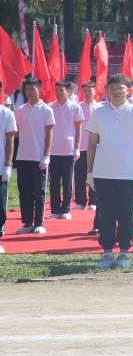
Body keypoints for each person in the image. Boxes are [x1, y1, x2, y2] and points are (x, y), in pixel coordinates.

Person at [86, 74, 133, 269]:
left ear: (129, 91)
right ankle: (107, 253)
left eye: (119, 87)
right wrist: (89, 172)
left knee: (126, 214)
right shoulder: (98, 112)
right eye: (112, 87)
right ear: (107, 90)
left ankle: (124, 253)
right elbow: (91, 144)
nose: (115, 91)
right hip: (103, 172)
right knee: (105, 213)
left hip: (128, 172)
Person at [13, 77, 55, 235]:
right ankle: (27, 222)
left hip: (39, 157)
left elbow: (49, 133)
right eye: (27, 90)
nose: (29, 92)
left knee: (39, 191)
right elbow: (16, 132)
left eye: (33, 89)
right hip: (22, 156)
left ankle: (39, 222)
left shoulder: (46, 110)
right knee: (24, 191)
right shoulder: (20, 110)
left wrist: (46, 155)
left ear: (39, 90)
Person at [48, 80, 83, 220]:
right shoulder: (50, 107)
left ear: (69, 91)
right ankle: (55, 210)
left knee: (67, 182)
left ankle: (66, 209)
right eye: (56, 90)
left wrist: (77, 147)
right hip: (53, 150)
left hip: (68, 149)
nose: (58, 93)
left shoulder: (75, 107)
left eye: (61, 90)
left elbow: (79, 129)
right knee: (54, 182)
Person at [74, 83, 101, 212]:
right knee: (80, 176)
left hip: (96, 147)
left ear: (95, 92)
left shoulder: (100, 108)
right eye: (85, 91)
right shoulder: (78, 107)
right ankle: (80, 201)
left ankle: (94, 201)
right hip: (81, 147)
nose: (87, 93)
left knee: (94, 174)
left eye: (90, 91)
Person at [0, 84, 17, 253]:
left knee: (0, 206)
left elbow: (10, 141)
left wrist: (8, 164)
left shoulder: (7, 114)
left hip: (0, 166)